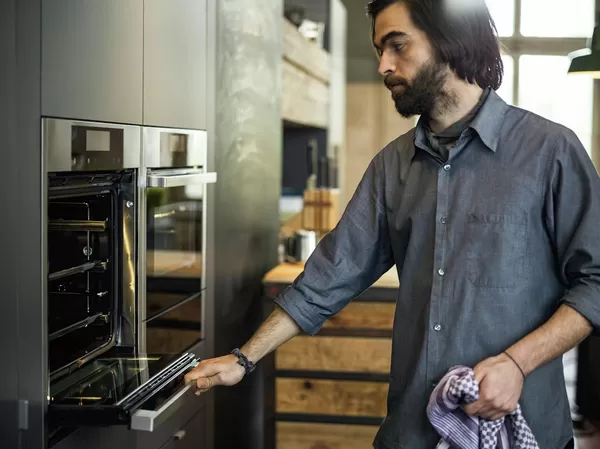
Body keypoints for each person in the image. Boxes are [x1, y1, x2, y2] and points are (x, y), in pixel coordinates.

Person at [184, 0, 600, 447]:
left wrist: (517, 363)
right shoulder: (391, 167)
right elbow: (329, 276)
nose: (384, 64)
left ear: (450, 40)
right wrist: (243, 359)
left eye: (397, 45)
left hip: (525, 429)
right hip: (413, 431)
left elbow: (595, 280)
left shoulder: (551, 151)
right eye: (380, 49)